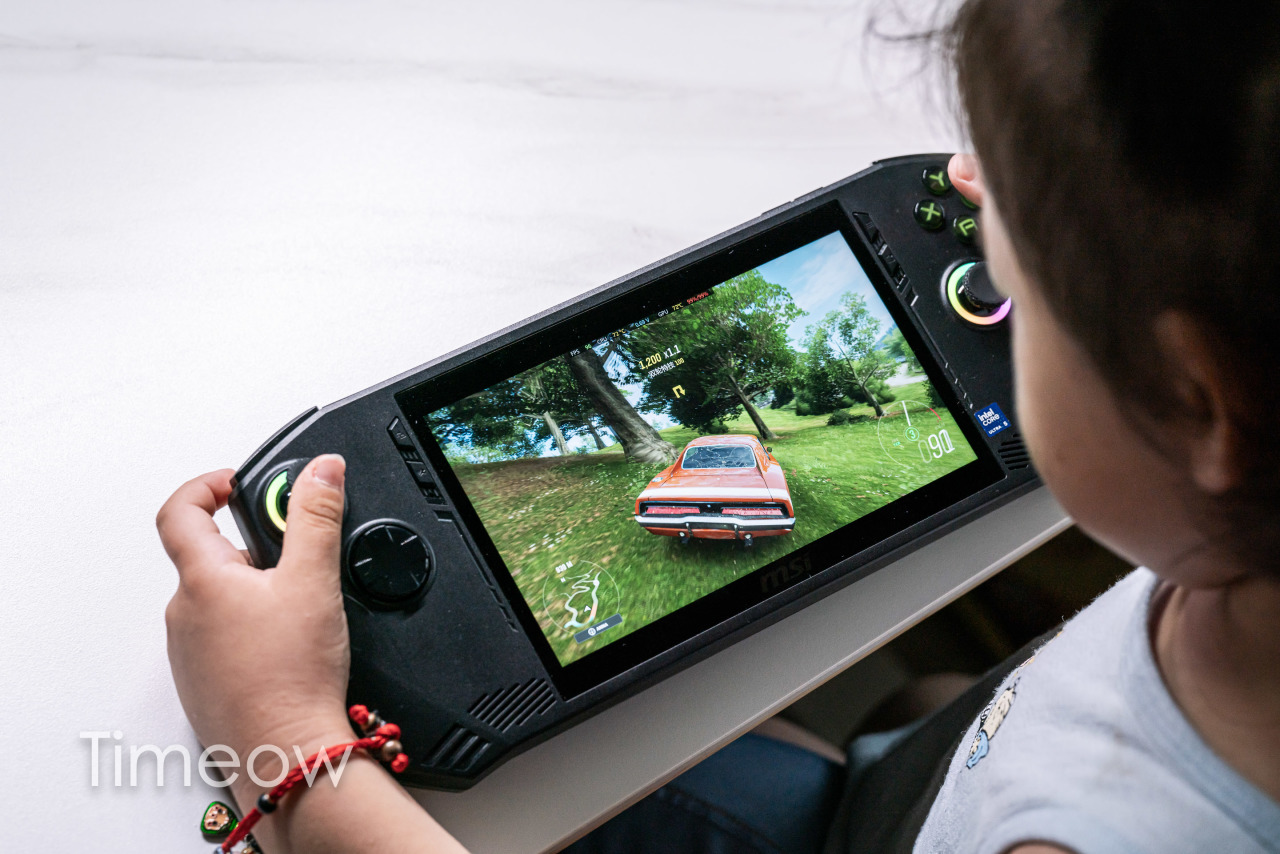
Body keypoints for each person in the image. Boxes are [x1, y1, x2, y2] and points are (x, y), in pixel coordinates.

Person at [157, 0, 1280, 850]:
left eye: (1015, 267)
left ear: (1194, 400)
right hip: (915, 778)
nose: (972, 207)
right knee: (910, 704)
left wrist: (290, 751)